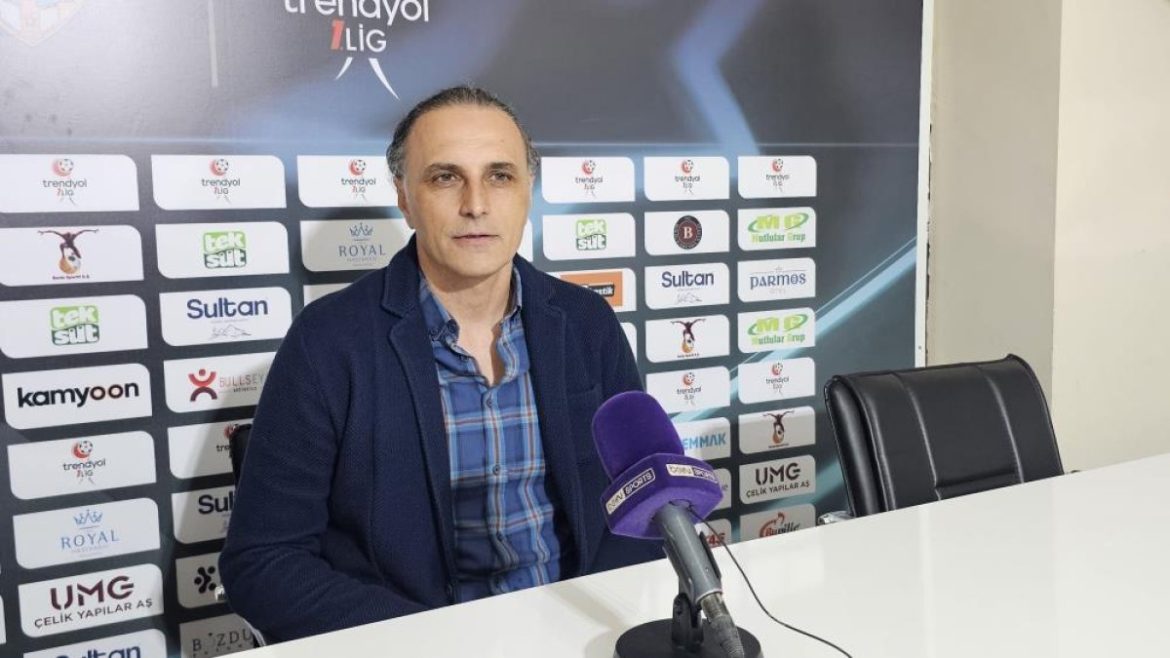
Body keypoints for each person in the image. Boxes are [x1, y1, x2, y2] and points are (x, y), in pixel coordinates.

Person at [219, 86, 660, 642]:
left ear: (527, 191)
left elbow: (641, 500)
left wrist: (598, 626)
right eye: (446, 177)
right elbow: (263, 560)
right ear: (404, 197)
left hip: (579, 629)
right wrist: (435, 640)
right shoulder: (327, 342)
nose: (476, 204)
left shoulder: (585, 321)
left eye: (500, 176)